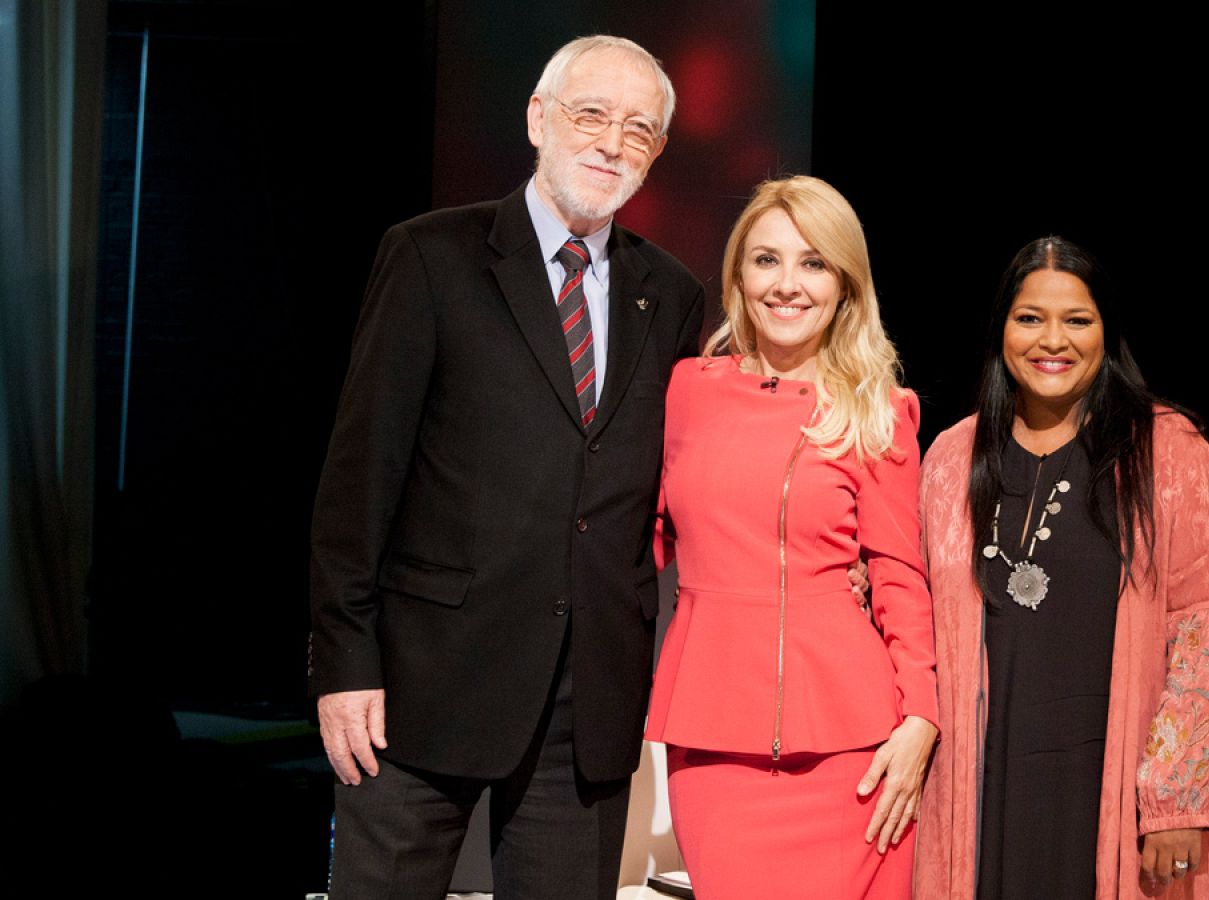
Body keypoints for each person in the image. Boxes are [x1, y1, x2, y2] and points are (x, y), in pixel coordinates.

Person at [306, 36, 705, 900]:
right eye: (590, 114)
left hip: (587, 700)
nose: (611, 142)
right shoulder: (430, 257)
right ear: (537, 118)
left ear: (658, 152)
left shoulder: (671, 295)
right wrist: (344, 661)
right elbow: (358, 480)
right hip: (419, 685)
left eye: (638, 128)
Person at [912, 238, 1209, 900]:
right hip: (982, 795)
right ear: (1001, 330)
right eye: (1030, 317)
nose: (1052, 340)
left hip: (1111, 795)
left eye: (1077, 319)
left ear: (1107, 331)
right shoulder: (952, 458)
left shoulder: (1168, 451)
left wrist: (1176, 799)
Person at [642, 176, 939, 899]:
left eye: (813, 263)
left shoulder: (878, 410)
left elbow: (901, 578)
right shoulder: (685, 391)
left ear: (844, 284)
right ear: (738, 277)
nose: (788, 284)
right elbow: (633, 538)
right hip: (715, 745)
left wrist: (921, 722)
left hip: (853, 754)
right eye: (766, 260)